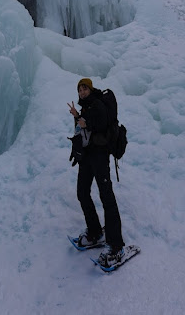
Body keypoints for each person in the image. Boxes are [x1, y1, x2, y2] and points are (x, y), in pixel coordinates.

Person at [68, 77, 125, 267]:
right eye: (80, 90)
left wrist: (85, 122)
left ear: (91, 90)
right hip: (87, 157)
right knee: (82, 192)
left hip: (100, 157)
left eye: (85, 89)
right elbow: (84, 127)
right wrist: (77, 117)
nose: (82, 92)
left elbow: (99, 123)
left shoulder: (98, 104)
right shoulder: (85, 108)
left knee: (106, 196)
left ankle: (116, 247)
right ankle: (95, 232)